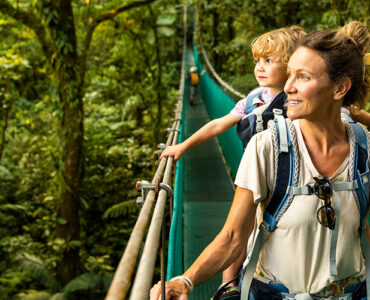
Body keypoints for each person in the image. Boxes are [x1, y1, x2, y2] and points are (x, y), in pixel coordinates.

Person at [151, 21, 370, 300]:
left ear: (340, 89)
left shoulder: (363, 148)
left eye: (303, 77)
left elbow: (359, 227)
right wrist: (185, 280)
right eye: (289, 74)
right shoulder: (267, 147)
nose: (288, 87)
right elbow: (233, 237)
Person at [161, 25, 306, 162]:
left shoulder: (304, 101)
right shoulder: (253, 102)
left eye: (268, 61)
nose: (259, 68)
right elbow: (217, 125)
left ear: (290, 65)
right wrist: (183, 145)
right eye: (257, 61)